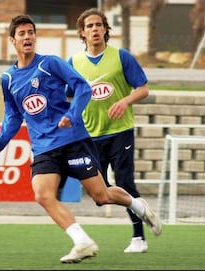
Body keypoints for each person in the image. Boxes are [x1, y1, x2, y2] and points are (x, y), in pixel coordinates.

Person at [0, 14, 161, 264]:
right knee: (42, 195)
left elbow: (82, 88)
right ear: (12, 41)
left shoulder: (50, 64)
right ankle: (82, 241)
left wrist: (72, 114)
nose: (27, 37)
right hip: (43, 147)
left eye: (31, 32)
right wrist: (2, 139)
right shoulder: (8, 79)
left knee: (101, 196)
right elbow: (13, 114)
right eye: (22, 34)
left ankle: (138, 206)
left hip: (72, 140)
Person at [67, 8, 155, 253]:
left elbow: (143, 88)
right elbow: (66, 96)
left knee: (125, 182)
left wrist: (125, 101)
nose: (95, 29)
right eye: (90, 26)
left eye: (99, 25)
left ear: (106, 29)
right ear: (82, 33)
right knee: (100, 193)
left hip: (120, 131)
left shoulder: (121, 57)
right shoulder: (74, 63)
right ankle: (142, 209)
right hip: (89, 136)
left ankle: (139, 238)